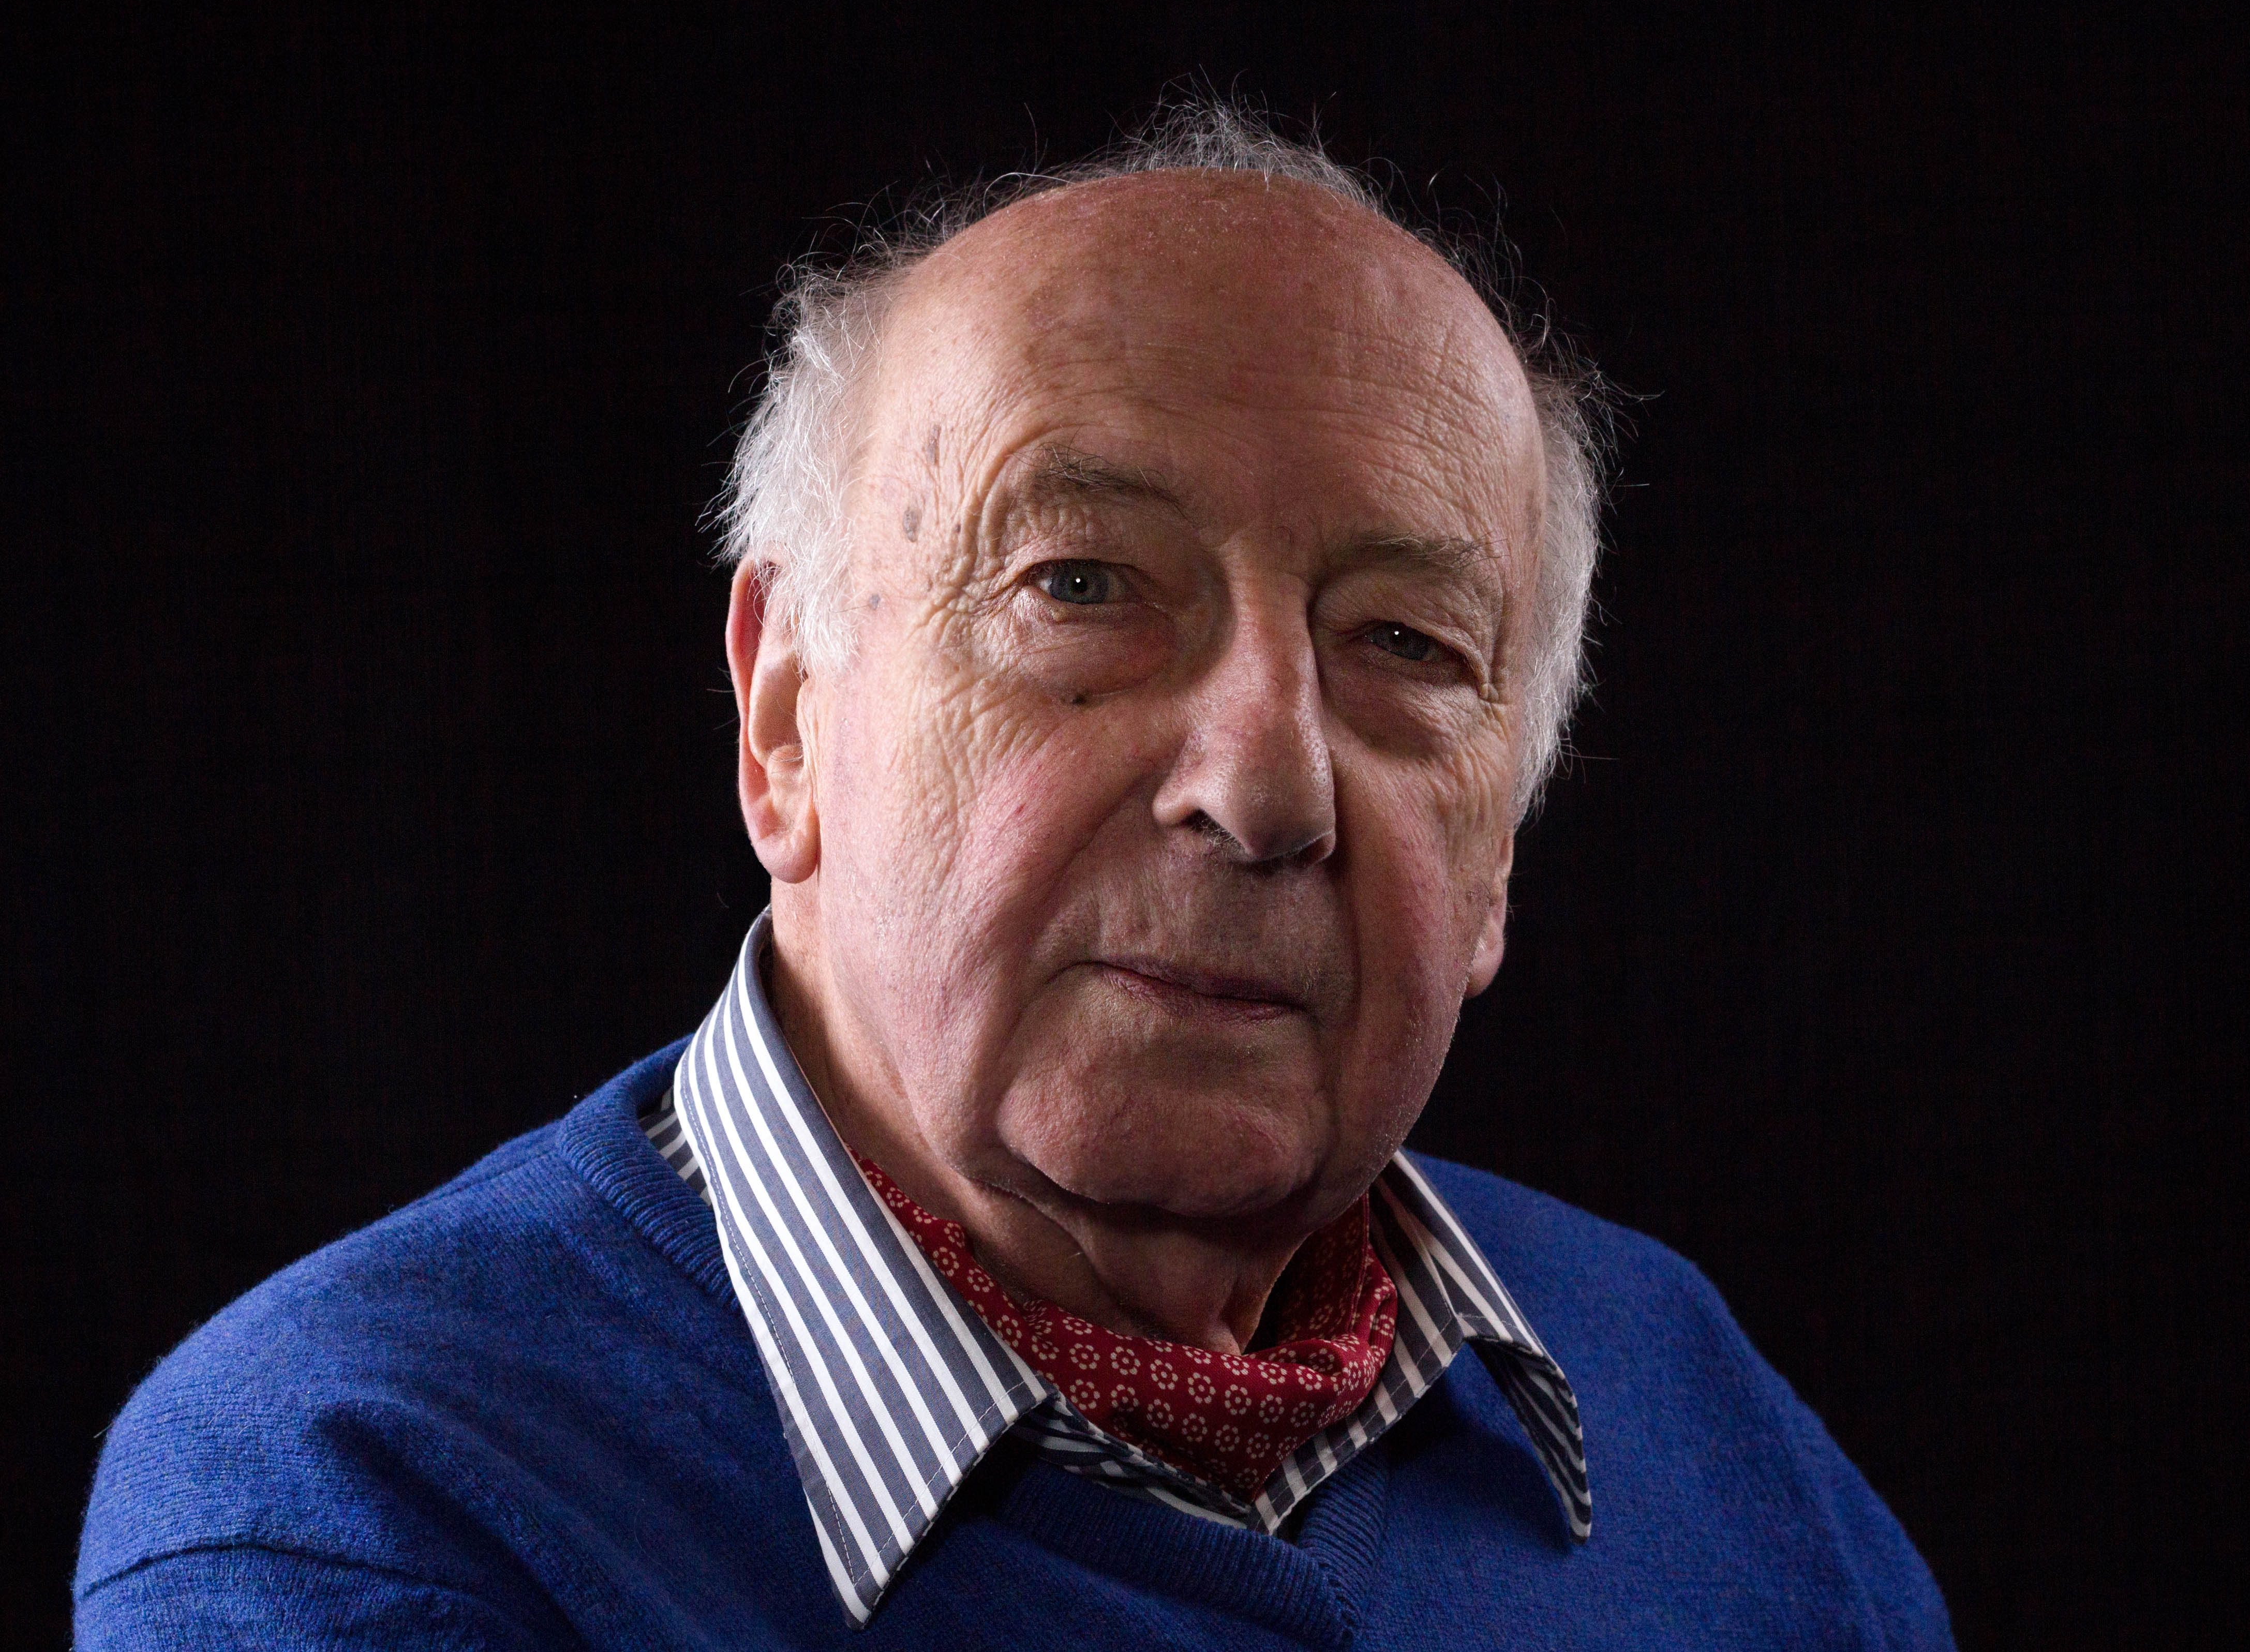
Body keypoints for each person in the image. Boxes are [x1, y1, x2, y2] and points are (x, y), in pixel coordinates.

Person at [76, 106, 1954, 1649]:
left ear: (1498, 862)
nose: (1264, 787)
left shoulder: (1692, 1412)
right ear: (787, 720)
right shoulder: (367, 1500)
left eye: (1404, 644)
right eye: (1085, 585)